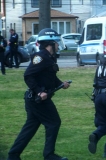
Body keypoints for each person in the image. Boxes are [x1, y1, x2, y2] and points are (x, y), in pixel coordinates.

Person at [7, 28, 71, 160]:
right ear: (50, 43)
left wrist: (61, 84)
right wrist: (39, 91)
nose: (58, 45)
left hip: (36, 100)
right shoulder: (41, 57)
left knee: (30, 127)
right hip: (38, 100)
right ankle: (49, 155)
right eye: (56, 42)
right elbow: (28, 75)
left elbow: (49, 78)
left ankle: (13, 155)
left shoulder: (48, 57)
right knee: (54, 122)